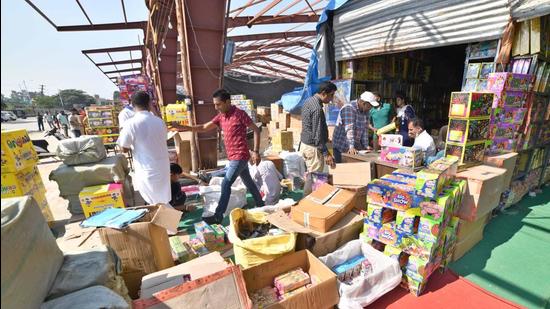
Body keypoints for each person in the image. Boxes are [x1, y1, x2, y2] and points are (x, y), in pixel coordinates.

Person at [174, 89, 264, 224]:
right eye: (215, 104)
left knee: (226, 183)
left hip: (240, 156)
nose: (216, 107)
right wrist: (182, 127)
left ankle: (218, 215)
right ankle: (261, 205)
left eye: (219, 104)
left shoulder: (240, 114)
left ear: (228, 102)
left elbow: (256, 130)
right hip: (234, 157)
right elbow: (204, 127)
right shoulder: (221, 117)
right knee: (249, 183)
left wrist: (256, 151)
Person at [118, 91, 171, 205]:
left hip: (146, 167)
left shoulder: (130, 124)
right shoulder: (159, 121)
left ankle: (168, 220)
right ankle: (167, 219)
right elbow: (164, 138)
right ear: (149, 104)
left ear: (132, 104)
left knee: (155, 202)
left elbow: (124, 148)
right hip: (162, 167)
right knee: (162, 200)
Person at [300, 81, 337, 172]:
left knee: (310, 177)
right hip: (313, 148)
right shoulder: (317, 109)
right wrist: (326, 154)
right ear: (324, 93)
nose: (331, 99)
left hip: (305, 144)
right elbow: (317, 135)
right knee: (315, 180)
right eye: (331, 95)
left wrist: (325, 138)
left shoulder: (309, 101)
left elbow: (311, 126)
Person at [332, 91, 378, 163]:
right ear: (363, 103)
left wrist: (366, 145)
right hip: (341, 146)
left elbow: (365, 130)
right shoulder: (349, 108)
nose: (371, 108)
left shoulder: (366, 112)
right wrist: (351, 146)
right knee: (341, 171)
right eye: (370, 106)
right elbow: (349, 129)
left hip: (355, 147)